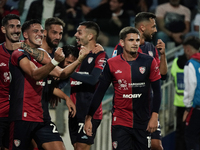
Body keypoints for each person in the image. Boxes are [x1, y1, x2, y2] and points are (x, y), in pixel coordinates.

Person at [8, 19, 89, 150]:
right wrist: (55, 62)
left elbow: (61, 74)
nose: (40, 34)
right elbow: (35, 74)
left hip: (42, 118)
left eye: (41, 31)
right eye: (35, 31)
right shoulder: (19, 53)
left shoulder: (44, 55)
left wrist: (80, 59)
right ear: (26, 34)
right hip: (22, 117)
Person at [84, 26, 162, 150]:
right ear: (122, 42)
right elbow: (100, 92)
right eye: (131, 40)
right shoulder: (111, 64)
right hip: (120, 121)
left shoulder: (149, 61)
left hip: (143, 121)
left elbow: (157, 91)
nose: (135, 43)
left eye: (137, 40)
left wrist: (155, 116)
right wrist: (89, 117)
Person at [112, 12, 167, 150]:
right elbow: (113, 72)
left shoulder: (151, 48)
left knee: (156, 145)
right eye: (153, 26)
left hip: (146, 108)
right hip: (125, 109)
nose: (155, 30)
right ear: (142, 28)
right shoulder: (120, 48)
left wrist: (163, 55)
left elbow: (162, 75)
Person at [69, 21, 108, 150]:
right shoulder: (74, 53)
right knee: (76, 147)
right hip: (74, 112)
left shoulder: (100, 55)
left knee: (81, 148)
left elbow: (93, 79)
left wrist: (67, 72)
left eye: (79, 32)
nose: (75, 35)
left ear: (90, 36)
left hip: (89, 112)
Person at [0, 14, 21, 150]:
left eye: (18, 26)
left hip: (20, 114)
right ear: (3, 29)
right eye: (11, 26)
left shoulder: (28, 51)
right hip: (1, 113)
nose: (16, 30)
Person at [182, 36, 200, 150]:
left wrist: (187, 108)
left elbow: (190, 88)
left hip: (197, 110)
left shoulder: (191, 64)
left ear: (187, 49)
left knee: (191, 138)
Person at [171, 53, 187, 150]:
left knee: (180, 132)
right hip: (192, 104)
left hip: (179, 103)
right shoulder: (194, 63)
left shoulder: (176, 62)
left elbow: (172, 74)